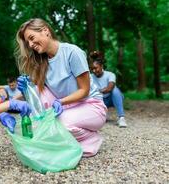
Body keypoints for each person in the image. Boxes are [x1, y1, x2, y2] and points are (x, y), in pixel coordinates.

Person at [15, 18, 107, 157]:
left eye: (31, 38)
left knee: (56, 127)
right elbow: (39, 98)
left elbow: (84, 90)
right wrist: (25, 90)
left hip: (91, 105)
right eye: (28, 42)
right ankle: (64, 139)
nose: (30, 44)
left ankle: (90, 139)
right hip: (66, 107)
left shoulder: (72, 52)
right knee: (40, 121)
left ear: (46, 31)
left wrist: (61, 102)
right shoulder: (41, 62)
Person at [90, 53, 127, 128]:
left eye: (96, 68)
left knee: (115, 89)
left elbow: (110, 88)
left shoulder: (110, 75)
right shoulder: (90, 77)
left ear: (101, 66)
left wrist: (98, 91)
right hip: (99, 101)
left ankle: (121, 118)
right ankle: (101, 116)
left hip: (111, 99)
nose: (94, 70)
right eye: (92, 69)